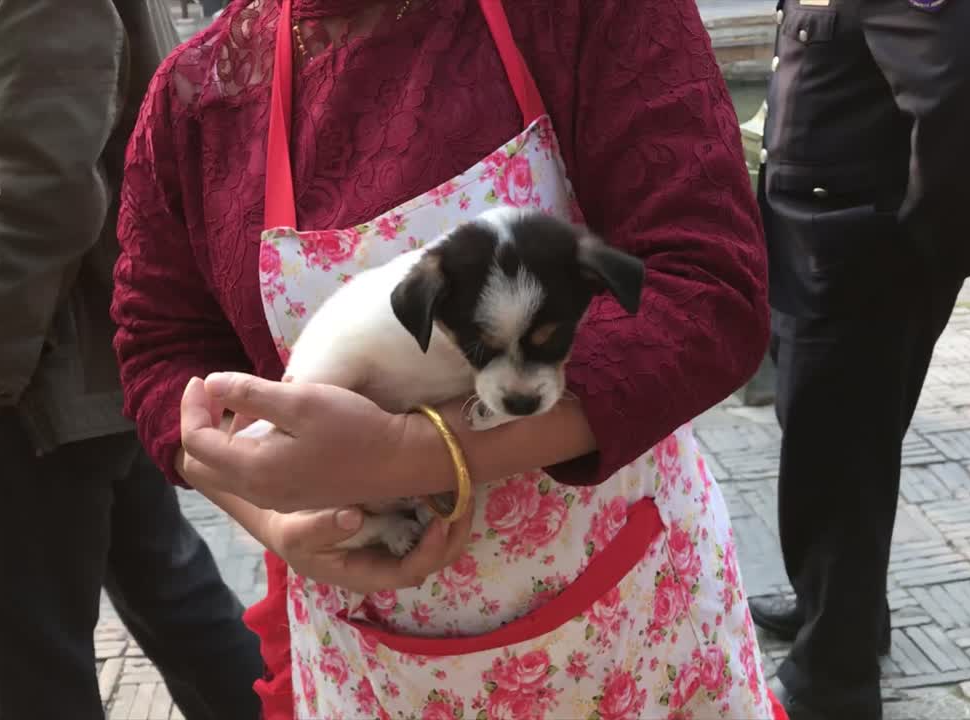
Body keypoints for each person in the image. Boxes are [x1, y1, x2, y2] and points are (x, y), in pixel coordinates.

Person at [112, 0, 793, 717]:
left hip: (627, 630)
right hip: (374, 655)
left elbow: (711, 289)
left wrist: (414, 454)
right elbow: (160, 351)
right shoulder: (196, 97)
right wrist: (270, 514)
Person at [0, 0, 264, 718]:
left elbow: (47, 193)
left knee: (30, 671)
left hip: (37, 374)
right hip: (92, 357)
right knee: (181, 602)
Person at [751, 1, 970, 719]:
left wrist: (922, 240)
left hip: (863, 254)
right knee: (831, 449)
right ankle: (838, 610)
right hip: (821, 242)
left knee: (838, 461)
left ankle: (832, 680)